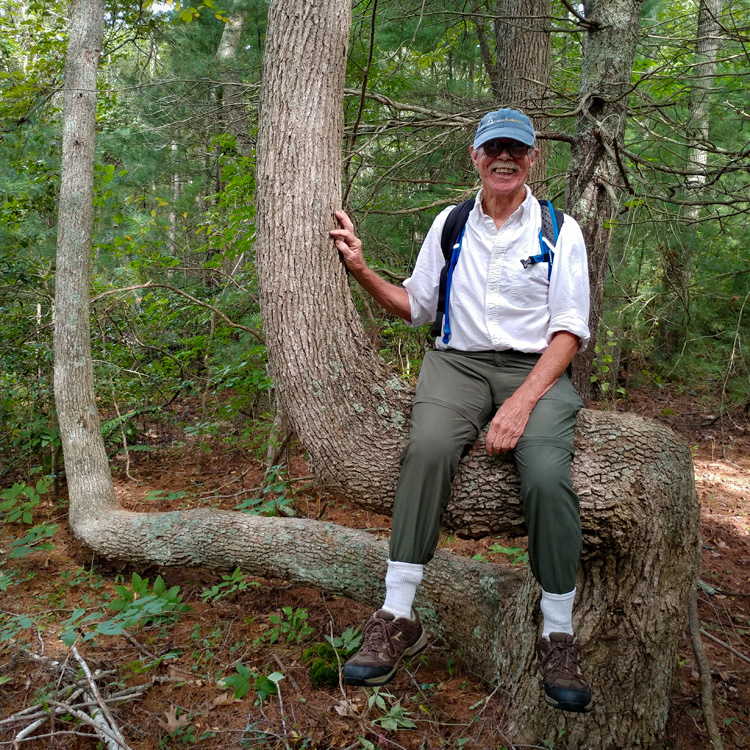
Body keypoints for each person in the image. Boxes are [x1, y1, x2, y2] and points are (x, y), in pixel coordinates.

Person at [329, 108, 592, 714]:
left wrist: (521, 405)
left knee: (548, 474)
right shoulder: (450, 225)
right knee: (426, 449)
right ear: (474, 156)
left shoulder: (559, 229)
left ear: (532, 159)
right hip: (458, 363)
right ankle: (397, 615)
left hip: (537, 367)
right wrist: (361, 268)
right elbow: (417, 306)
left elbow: (570, 330)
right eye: (493, 148)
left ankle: (557, 632)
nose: (505, 158)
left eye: (517, 150)